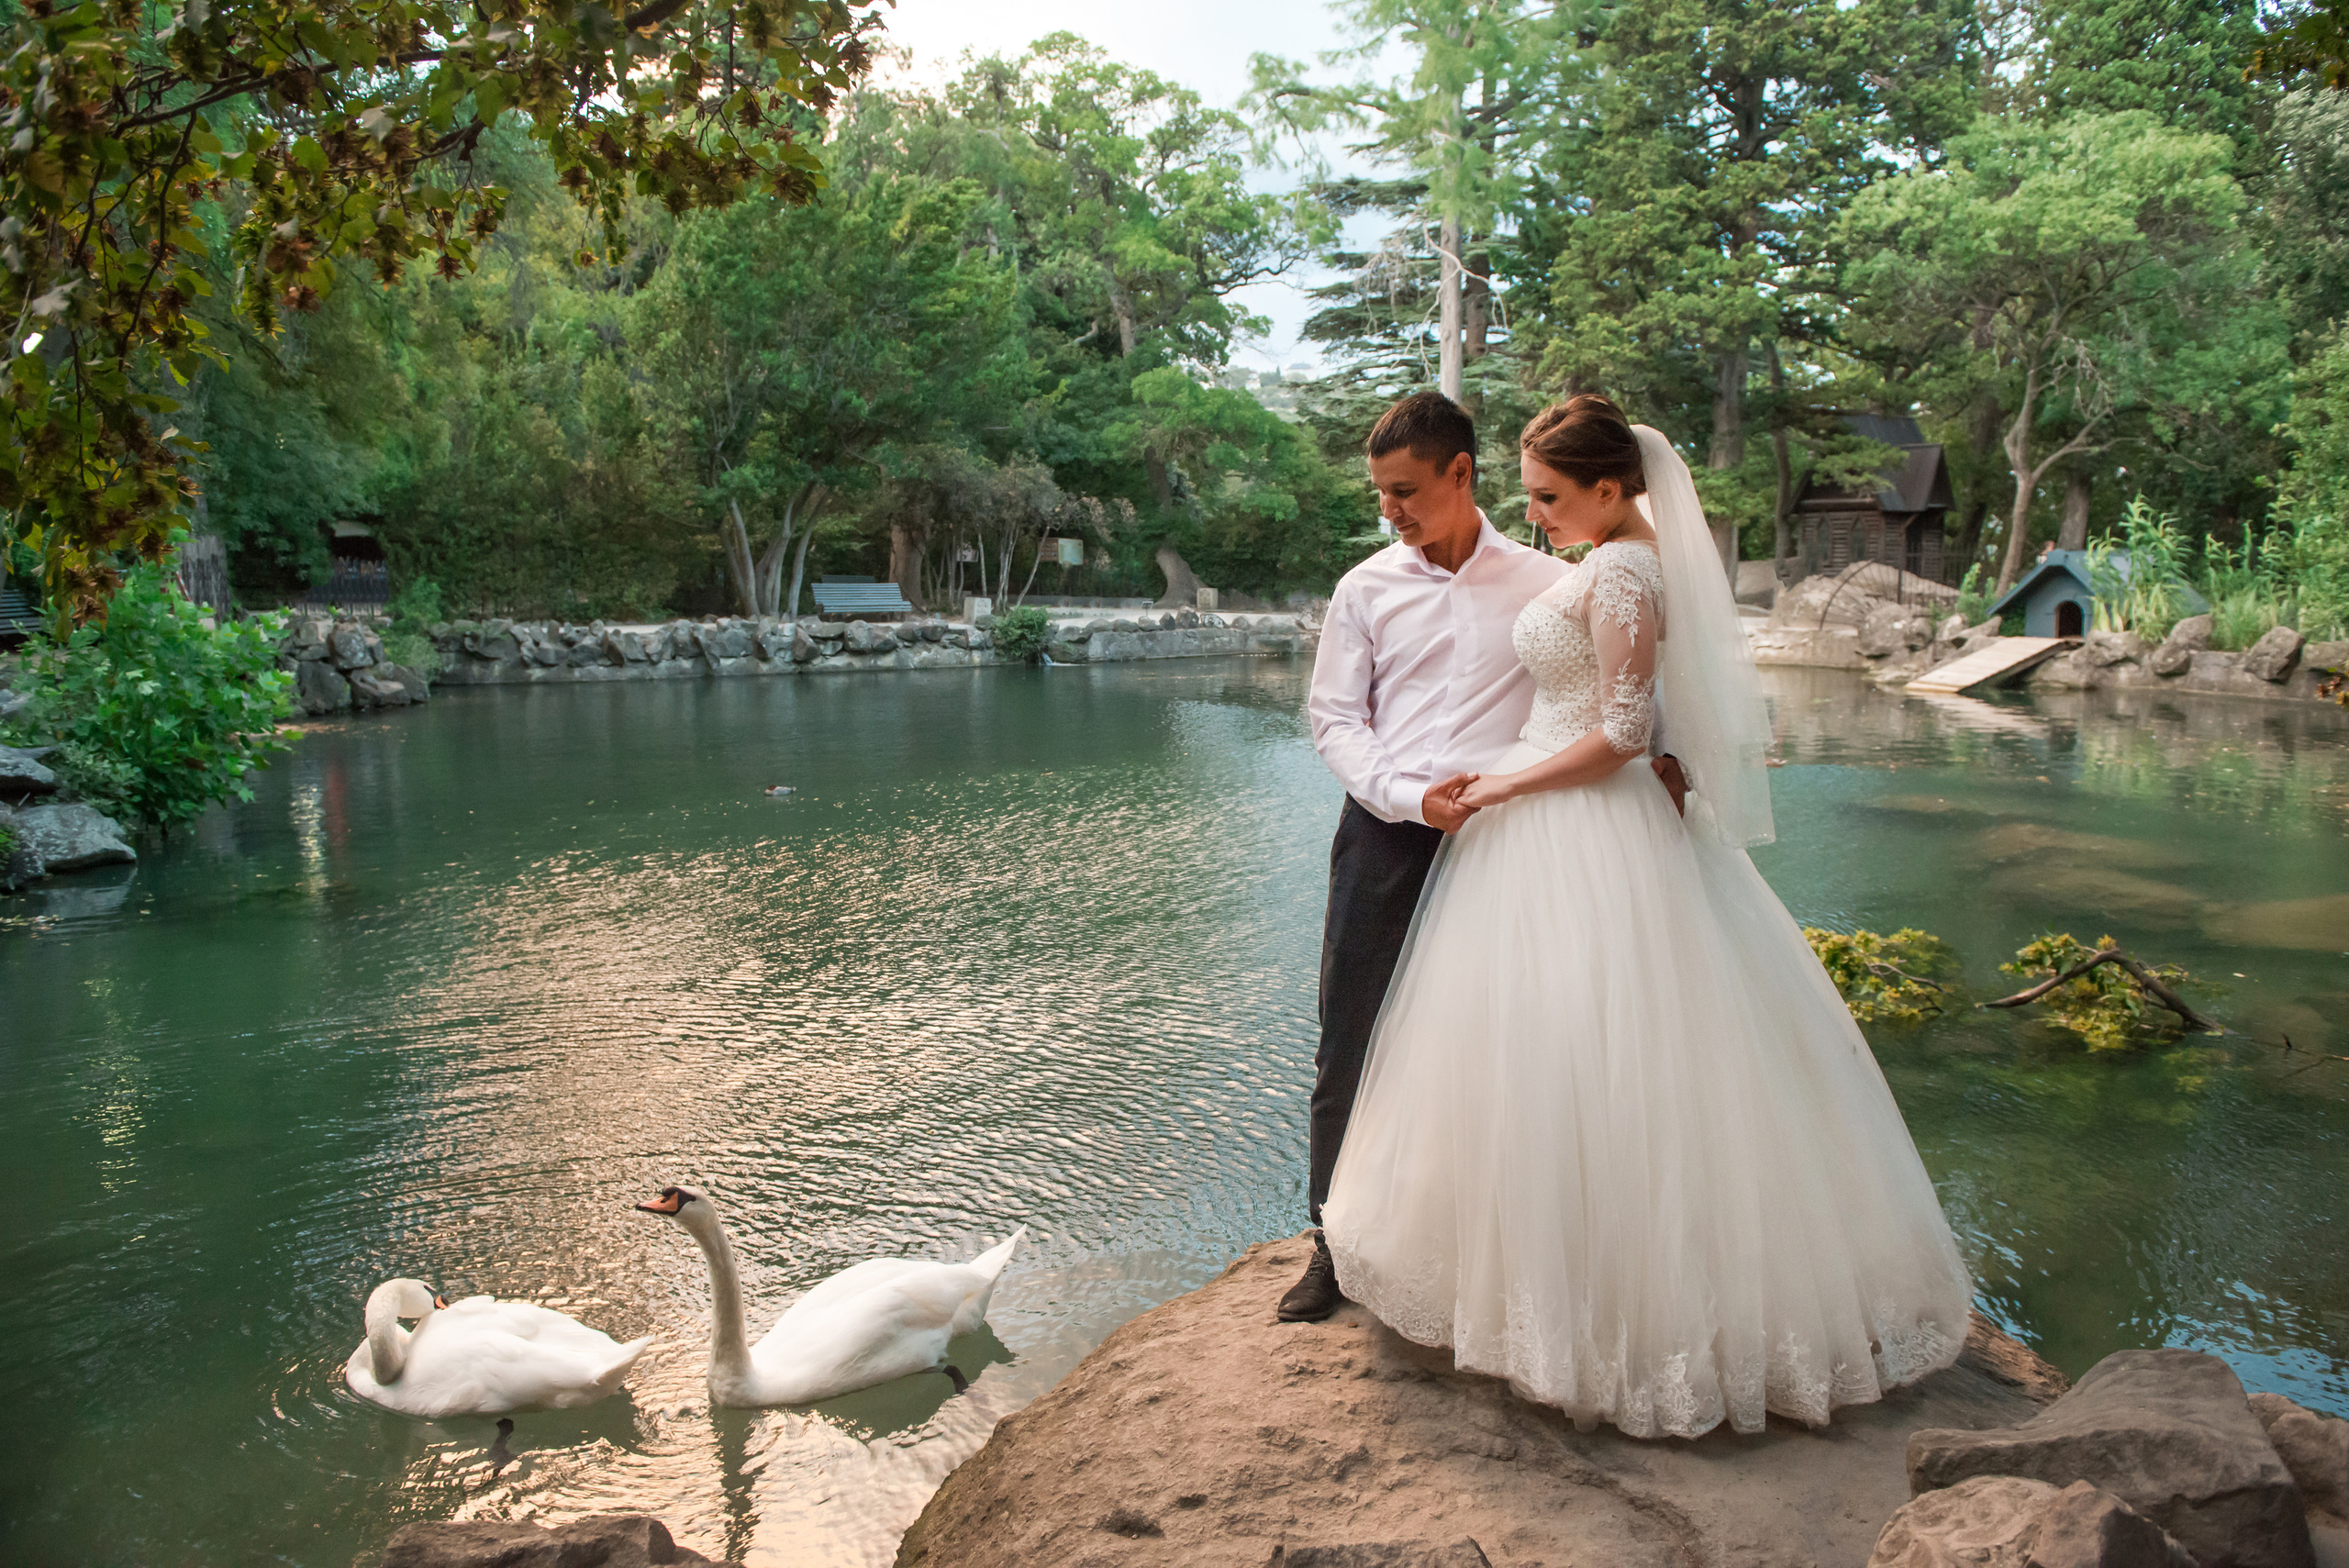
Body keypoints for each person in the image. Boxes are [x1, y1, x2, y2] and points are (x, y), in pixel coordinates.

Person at [1318, 394, 1973, 1438]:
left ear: (1608, 488)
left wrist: (1501, 786)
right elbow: (1348, 717)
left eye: (1548, 495)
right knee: (1532, 1054)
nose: (1535, 514)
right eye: (1530, 494)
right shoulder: (1584, 560)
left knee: (1587, 1055)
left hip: (1565, 819)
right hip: (1473, 818)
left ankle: (1599, 1310)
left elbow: (1623, 723)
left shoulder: (1613, 563)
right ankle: (1517, 1277)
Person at [1283, 391, 1687, 1324]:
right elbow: (1334, 719)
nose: (1391, 510)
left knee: (1504, 1053)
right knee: (1349, 1044)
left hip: (1514, 847)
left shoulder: (1546, 577)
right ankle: (1331, 1248)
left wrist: (1667, 755)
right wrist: (1405, 796)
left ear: (1461, 474)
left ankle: (1477, 1243)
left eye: (1404, 490)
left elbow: (1605, 683)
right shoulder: (1364, 588)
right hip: (1388, 834)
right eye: (1383, 495)